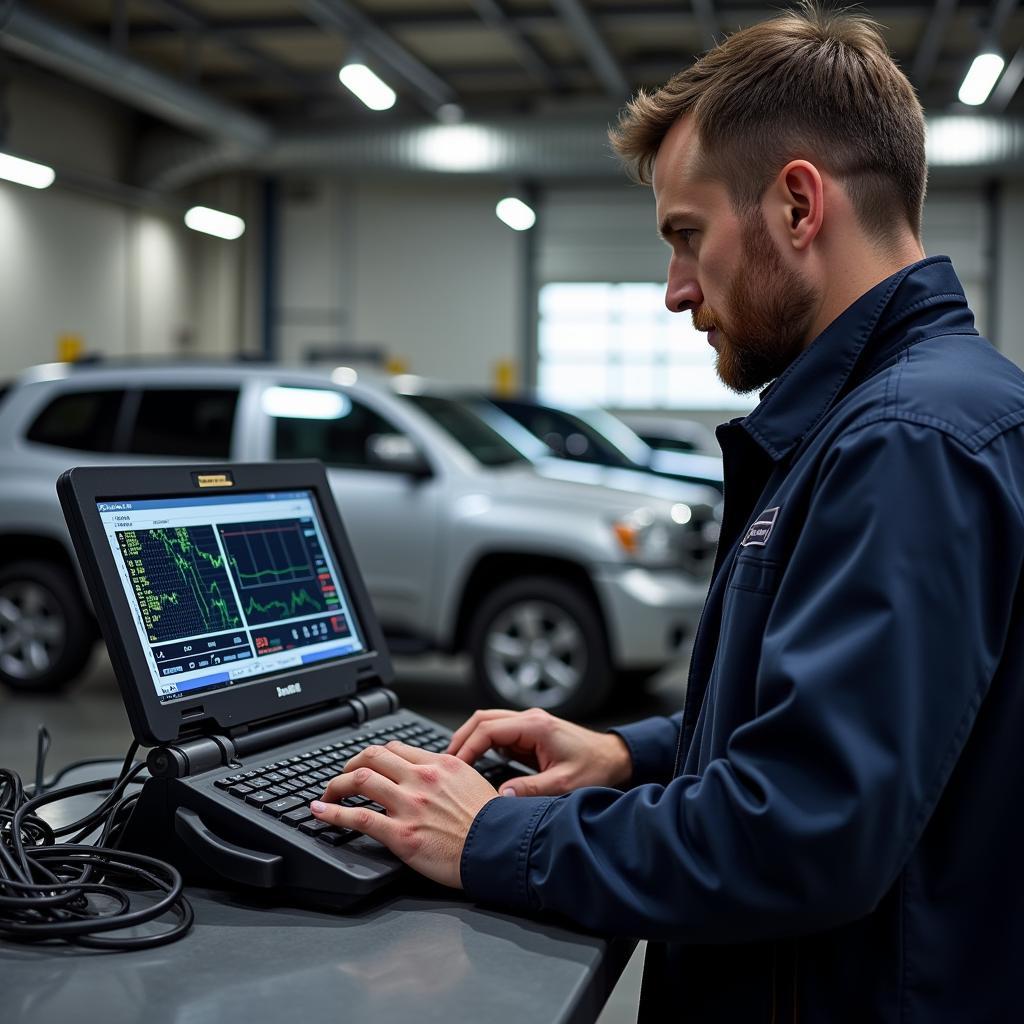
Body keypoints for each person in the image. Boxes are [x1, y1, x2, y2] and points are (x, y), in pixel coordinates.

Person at [309, 5, 1024, 1020]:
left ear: (796, 205)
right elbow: (829, 724)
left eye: (686, 237)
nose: (675, 290)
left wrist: (489, 837)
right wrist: (634, 754)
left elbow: (805, 832)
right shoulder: (909, 414)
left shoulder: (904, 442)